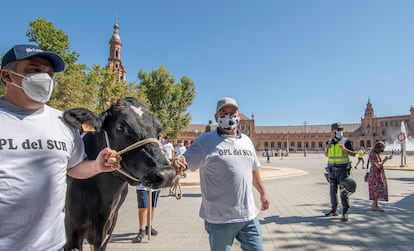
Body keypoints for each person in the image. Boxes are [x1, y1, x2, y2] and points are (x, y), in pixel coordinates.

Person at [0, 44, 121, 250]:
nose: (45, 79)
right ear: (7, 76)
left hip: (52, 245)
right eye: (34, 71)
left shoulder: (62, 121)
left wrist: (98, 166)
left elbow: (73, 168)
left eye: (50, 74)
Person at [181, 97, 270, 251]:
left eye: (232, 112)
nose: (229, 116)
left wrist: (263, 193)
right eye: (224, 112)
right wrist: (175, 165)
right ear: (216, 117)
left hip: (248, 216)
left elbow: (253, 169)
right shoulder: (205, 141)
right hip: (220, 218)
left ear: (239, 115)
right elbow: (184, 163)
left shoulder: (247, 141)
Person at [324, 122, 356, 222]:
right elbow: (326, 155)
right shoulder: (329, 142)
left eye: (341, 130)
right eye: (337, 130)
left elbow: (354, 154)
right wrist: (326, 149)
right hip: (331, 169)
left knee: (344, 191)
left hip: (342, 170)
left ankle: (345, 212)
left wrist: (345, 148)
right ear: (332, 131)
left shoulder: (345, 141)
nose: (339, 131)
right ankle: (334, 210)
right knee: (332, 191)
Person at [368, 141, 391, 212]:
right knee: (376, 188)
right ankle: (374, 206)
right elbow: (378, 165)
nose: (382, 151)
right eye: (382, 149)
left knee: (377, 188)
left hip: (376, 173)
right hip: (375, 174)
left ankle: (375, 205)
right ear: (379, 148)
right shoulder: (373, 154)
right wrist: (385, 159)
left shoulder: (375, 154)